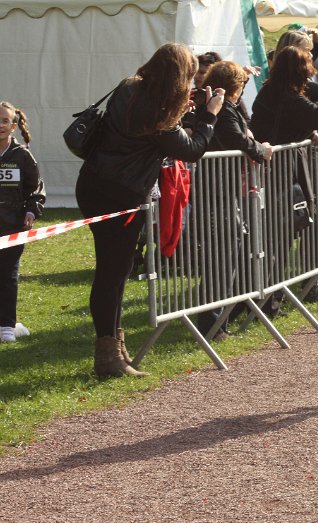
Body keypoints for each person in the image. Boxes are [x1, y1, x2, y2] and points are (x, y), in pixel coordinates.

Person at [77, 43, 225, 376]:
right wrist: (210, 114)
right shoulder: (159, 111)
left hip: (95, 184)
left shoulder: (130, 88)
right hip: (119, 193)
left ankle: (114, 347)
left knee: (116, 269)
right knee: (112, 273)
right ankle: (108, 356)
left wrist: (182, 111)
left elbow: (149, 133)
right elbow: (192, 149)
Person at [194, 61, 274, 339]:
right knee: (221, 257)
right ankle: (212, 323)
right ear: (234, 87)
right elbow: (234, 138)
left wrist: (244, 78)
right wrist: (260, 149)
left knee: (228, 253)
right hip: (217, 190)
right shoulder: (222, 109)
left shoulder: (224, 106)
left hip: (224, 189)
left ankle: (220, 320)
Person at [0, 102, 44, 343]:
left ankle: (7, 326)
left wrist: (31, 212)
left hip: (12, 227)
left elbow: (35, 189)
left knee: (7, 275)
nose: (0, 125)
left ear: (13, 126)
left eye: (5, 121)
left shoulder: (22, 156)